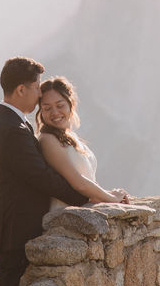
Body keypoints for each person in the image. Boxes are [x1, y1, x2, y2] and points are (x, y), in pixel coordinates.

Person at [0, 57, 87, 286]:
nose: (40, 92)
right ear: (22, 89)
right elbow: (41, 176)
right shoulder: (10, 128)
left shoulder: (13, 123)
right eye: (37, 87)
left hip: (20, 229)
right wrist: (84, 197)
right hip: (14, 232)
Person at [36, 76, 129, 210]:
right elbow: (79, 184)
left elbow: (86, 182)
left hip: (82, 210)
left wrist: (108, 194)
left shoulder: (69, 137)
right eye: (47, 108)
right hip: (65, 215)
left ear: (71, 104)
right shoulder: (48, 140)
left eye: (60, 105)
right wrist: (113, 199)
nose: (55, 112)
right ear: (41, 111)